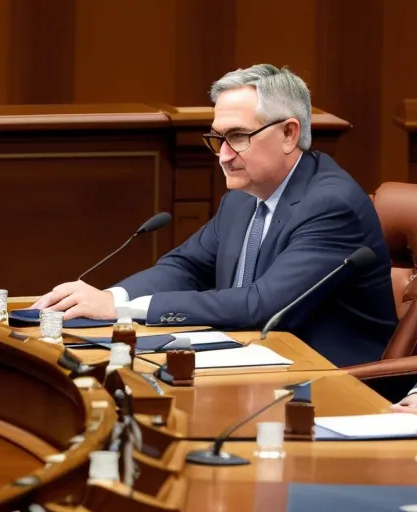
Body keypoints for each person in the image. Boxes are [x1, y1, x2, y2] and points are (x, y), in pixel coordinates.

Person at [32, 63, 398, 367]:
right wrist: (110, 297)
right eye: (217, 138)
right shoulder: (242, 197)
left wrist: (119, 307)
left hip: (331, 382)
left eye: (238, 137)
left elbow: (261, 306)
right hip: (253, 363)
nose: (223, 155)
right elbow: (185, 267)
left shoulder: (331, 205)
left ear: (289, 134)